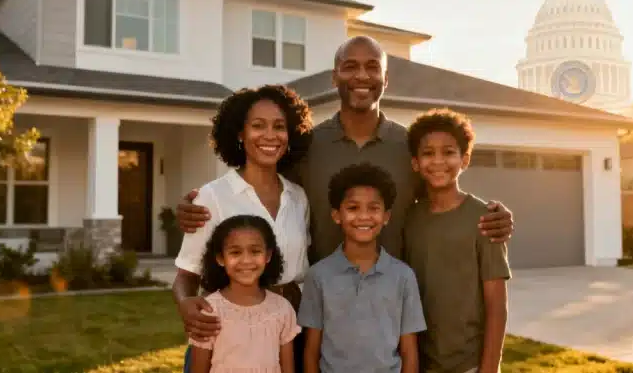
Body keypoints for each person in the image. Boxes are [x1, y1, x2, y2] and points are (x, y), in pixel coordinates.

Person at [174, 35, 515, 338]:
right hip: (319, 311)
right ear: (335, 76)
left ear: (386, 78)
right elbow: (255, 180)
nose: (362, 76)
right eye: (350, 66)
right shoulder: (305, 147)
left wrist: (493, 216)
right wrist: (194, 205)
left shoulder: (408, 144)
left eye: (372, 67)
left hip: (392, 308)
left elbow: (443, 197)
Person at [173, 85, 313, 371]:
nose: (270, 135)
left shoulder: (298, 197)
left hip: (288, 327)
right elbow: (185, 275)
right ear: (239, 133)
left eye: (279, 126)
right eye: (257, 126)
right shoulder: (211, 197)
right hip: (228, 334)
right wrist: (185, 303)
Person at [404, 108, 511, 373]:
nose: (438, 161)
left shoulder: (485, 219)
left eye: (449, 152)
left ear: (464, 159)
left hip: (470, 364)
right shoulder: (410, 218)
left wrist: (488, 369)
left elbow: (497, 307)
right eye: (428, 153)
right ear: (415, 163)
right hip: (422, 362)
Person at [299, 163, 426, 373]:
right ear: (336, 215)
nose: (364, 216)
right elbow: (311, 351)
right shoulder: (318, 275)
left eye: (374, 208)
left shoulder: (403, 276)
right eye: (353, 208)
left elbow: (409, 352)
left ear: (386, 216)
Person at [187, 214, 301, 373]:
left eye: (255, 251)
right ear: (220, 258)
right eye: (235, 252)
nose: (246, 260)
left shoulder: (282, 308)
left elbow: (288, 368)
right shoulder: (210, 310)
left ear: (268, 256)